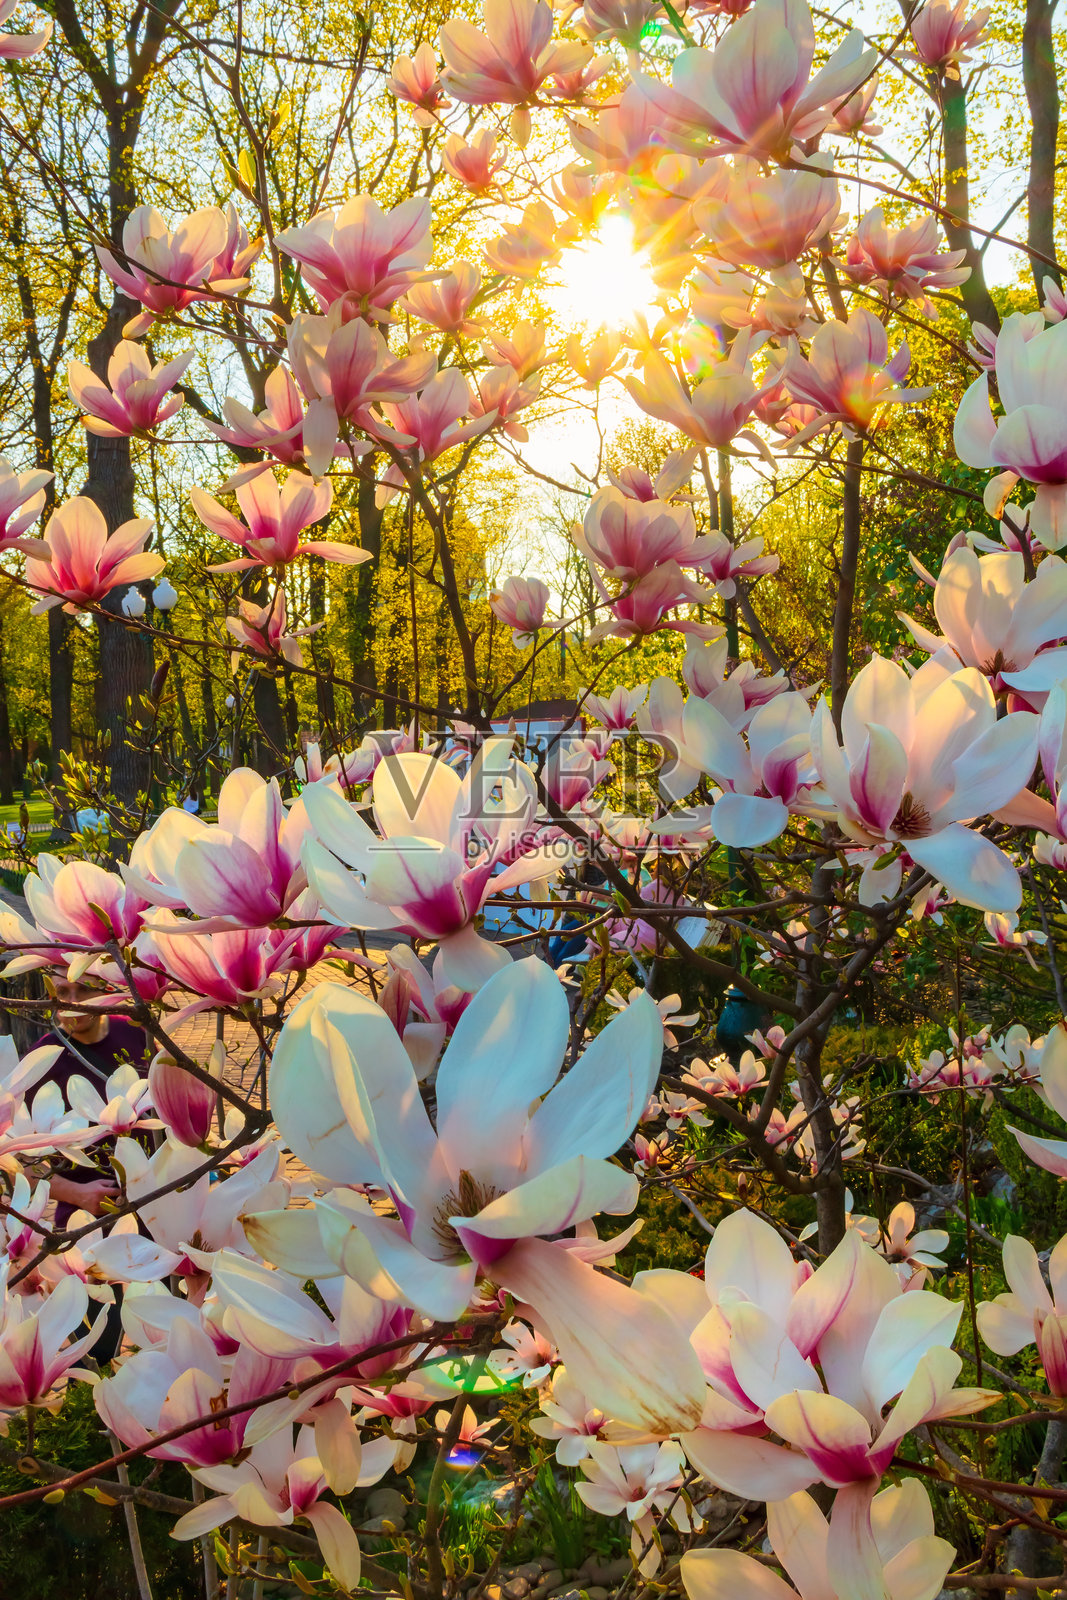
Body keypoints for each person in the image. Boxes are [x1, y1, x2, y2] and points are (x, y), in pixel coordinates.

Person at [35, 978, 150, 1224]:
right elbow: (16, 1161)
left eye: (84, 990)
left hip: (155, 1203)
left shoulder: (132, 1030)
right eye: (62, 992)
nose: (74, 1002)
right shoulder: (43, 1058)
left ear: (104, 990)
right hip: (88, 1218)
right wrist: (78, 1194)